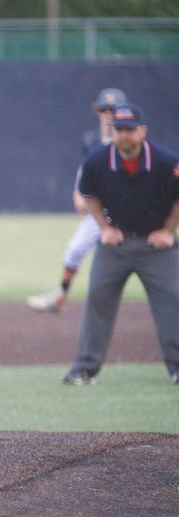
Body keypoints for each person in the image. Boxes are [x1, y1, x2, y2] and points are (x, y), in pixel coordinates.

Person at [61, 103, 179, 385]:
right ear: (112, 132)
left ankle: (177, 366)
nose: (124, 135)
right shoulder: (97, 161)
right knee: (97, 297)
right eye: (119, 129)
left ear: (143, 131)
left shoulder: (165, 162)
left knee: (173, 299)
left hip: (156, 247)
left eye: (129, 129)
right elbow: (88, 195)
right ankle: (84, 369)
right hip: (115, 246)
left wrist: (168, 230)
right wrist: (104, 228)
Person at [27, 88, 128, 313]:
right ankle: (61, 295)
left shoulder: (130, 140)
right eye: (104, 109)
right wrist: (79, 194)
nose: (108, 114)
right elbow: (85, 171)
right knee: (74, 250)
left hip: (129, 213)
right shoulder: (91, 140)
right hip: (100, 212)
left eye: (113, 109)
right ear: (98, 111)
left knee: (144, 255)